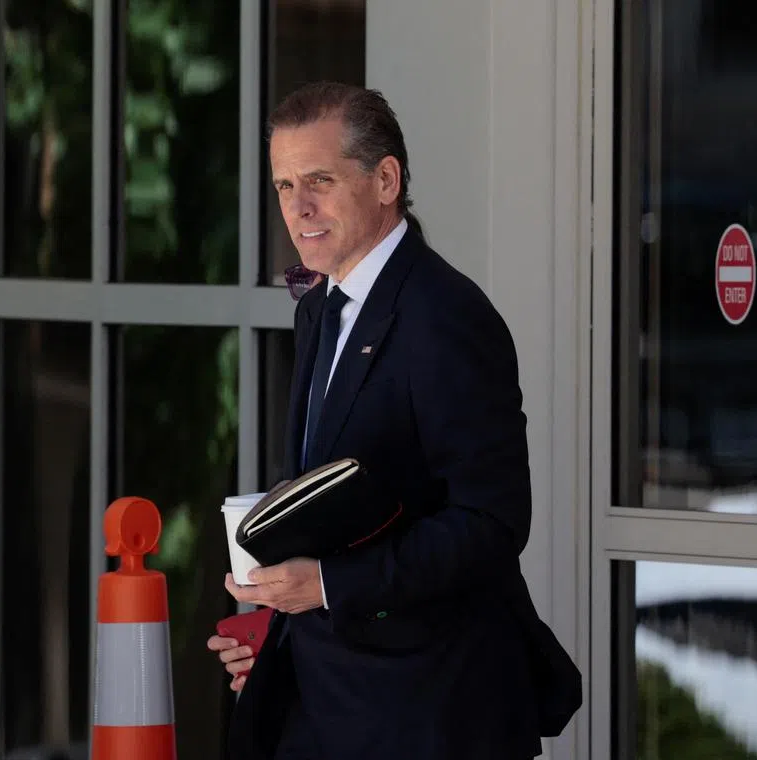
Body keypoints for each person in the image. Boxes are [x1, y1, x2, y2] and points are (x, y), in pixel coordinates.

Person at [206, 82, 579, 759]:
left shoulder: (447, 318)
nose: (299, 209)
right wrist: (279, 620)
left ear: (385, 180)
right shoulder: (319, 308)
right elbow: (338, 510)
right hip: (330, 697)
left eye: (319, 180)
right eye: (285, 186)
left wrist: (324, 586)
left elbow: (491, 523)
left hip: (429, 713)